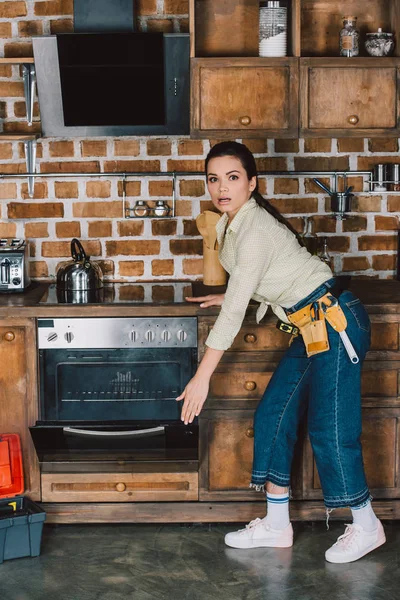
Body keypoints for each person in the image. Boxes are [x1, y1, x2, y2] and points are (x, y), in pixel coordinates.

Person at [176, 140, 386, 564]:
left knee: (330, 428)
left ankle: (367, 525)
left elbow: (239, 306)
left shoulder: (253, 228)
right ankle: (276, 523)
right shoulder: (229, 224)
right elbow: (265, 281)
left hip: (334, 321)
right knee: (273, 413)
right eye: (213, 179)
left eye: (232, 178)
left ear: (251, 183)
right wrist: (235, 296)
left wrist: (202, 377)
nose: (222, 187)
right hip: (310, 327)